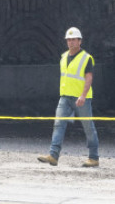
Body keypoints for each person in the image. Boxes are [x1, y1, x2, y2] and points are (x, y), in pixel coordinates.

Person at [38, 26, 100, 168]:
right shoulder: (64, 57)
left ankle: (94, 157)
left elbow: (88, 78)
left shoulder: (86, 58)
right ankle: (53, 155)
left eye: (74, 40)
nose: (71, 42)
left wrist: (83, 96)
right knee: (58, 124)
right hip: (65, 97)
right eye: (69, 40)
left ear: (80, 41)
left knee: (88, 127)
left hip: (81, 98)